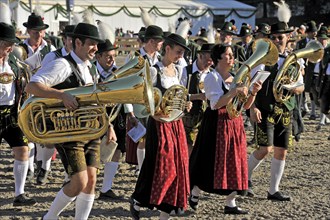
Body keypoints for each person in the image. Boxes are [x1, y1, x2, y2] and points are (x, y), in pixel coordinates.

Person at [25, 22, 104, 219]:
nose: (96, 48)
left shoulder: (91, 68)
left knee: (92, 180)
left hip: (90, 130)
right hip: (70, 133)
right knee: (79, 182)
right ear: (78, 42)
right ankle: (49, 217)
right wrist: (61, 95)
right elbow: (32, 86)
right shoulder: (62, 64)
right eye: (92, 44)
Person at [189, 44, 262, 215]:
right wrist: (233, 91)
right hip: (216, 123)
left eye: (231, 55)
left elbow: (245, 106)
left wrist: (253, 93)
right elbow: (215, 104)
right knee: (210, 161)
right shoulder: (211, 77)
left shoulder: (235, 77)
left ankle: (231, 202)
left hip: (234, 123)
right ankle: (195, 191)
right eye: (228, 55)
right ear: (218, 59)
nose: (232, 58)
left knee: (234, 161)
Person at [129, 33, 192, 220]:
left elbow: (180, 97)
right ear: (167, 49)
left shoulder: (180, 71)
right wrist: (156, 112)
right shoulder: (154, 70)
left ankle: (167, 210)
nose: (181, 56)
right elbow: (143, 102)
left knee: (177, 165)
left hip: (176, 124)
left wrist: (185, 104)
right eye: (178, 52)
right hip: (159, 125)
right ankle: (138, 199)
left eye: (182, 53)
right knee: (159, 165)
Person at [248, 21, 305, 201]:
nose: (277, 40)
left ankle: (273, 190)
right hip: (265, 108)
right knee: (264, 149)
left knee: (282, 150)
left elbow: (301, 86)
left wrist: (293, 87)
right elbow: (251, 86)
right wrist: (252, 107)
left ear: (288, 38)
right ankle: (244, 179)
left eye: (280, 37)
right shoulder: (263, 58)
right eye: (274, 37)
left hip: (285, 109)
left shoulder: (294, 59)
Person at [33, 24, 76, 186]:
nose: (72, 42)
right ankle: (44, 166)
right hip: (54, 104)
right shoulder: (53, 57)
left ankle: (68, 178)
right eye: (70, 39)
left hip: (74, 106)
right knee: (51, 141)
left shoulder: (83, 60)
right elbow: (40, 81)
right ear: (64, 40)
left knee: (72, 143)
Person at [0, 22, 37, 207]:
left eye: (11, 44)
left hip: (12, 113)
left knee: (23, 150)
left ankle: (19, 194)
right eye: (7, 43)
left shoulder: (13, 61)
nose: (11, 47)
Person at [20, 12, 56, 181]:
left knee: (45, 130)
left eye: (40, 31)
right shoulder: (19, 48)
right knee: (27, 131)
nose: (38, 33)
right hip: (25, 93)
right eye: (34, 30)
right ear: (28, 31)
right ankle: (29, 167)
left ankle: (44, 167)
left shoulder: (51, 49)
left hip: (45, 92)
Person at [125, 25, 164, 175]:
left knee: (156, 138)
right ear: (152, 41)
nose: (161, 45)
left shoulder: (159, 58)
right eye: (160, 42)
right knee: (143, 138)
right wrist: (129, 110)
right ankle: (142, 169)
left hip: (156, 103)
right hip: (139, 102)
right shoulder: (135, 57)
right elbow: (128, 82)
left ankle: (150, 167)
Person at [94, 39, 125, 200]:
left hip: (116, 112)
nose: (111, 59)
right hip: (94, 113)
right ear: (98, 57)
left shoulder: (118, 72)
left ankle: (107, 187)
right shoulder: (91, 71)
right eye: (107, 56)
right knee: (89, 148)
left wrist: (131, 115)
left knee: (116, 149)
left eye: (113, 55)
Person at [181, 43, 214, 154]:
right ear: (200, 56)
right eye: (208, 60)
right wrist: (197, 97)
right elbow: (179, 95)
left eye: (212, 61)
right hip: (189, 117)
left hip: (206, 117)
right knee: (189, 146)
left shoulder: (213, 73)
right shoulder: (186, 71)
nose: (210, 64)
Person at [296, 21, 318, 119]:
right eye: (312, 32)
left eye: (314, 31)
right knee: (302, 87)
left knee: (313, 90)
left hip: (313, 68)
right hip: (303, 68)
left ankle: (313, 111)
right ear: (308, 32)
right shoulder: (301, 43)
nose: (314, 33)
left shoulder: (317, 43)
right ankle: (304, 106)